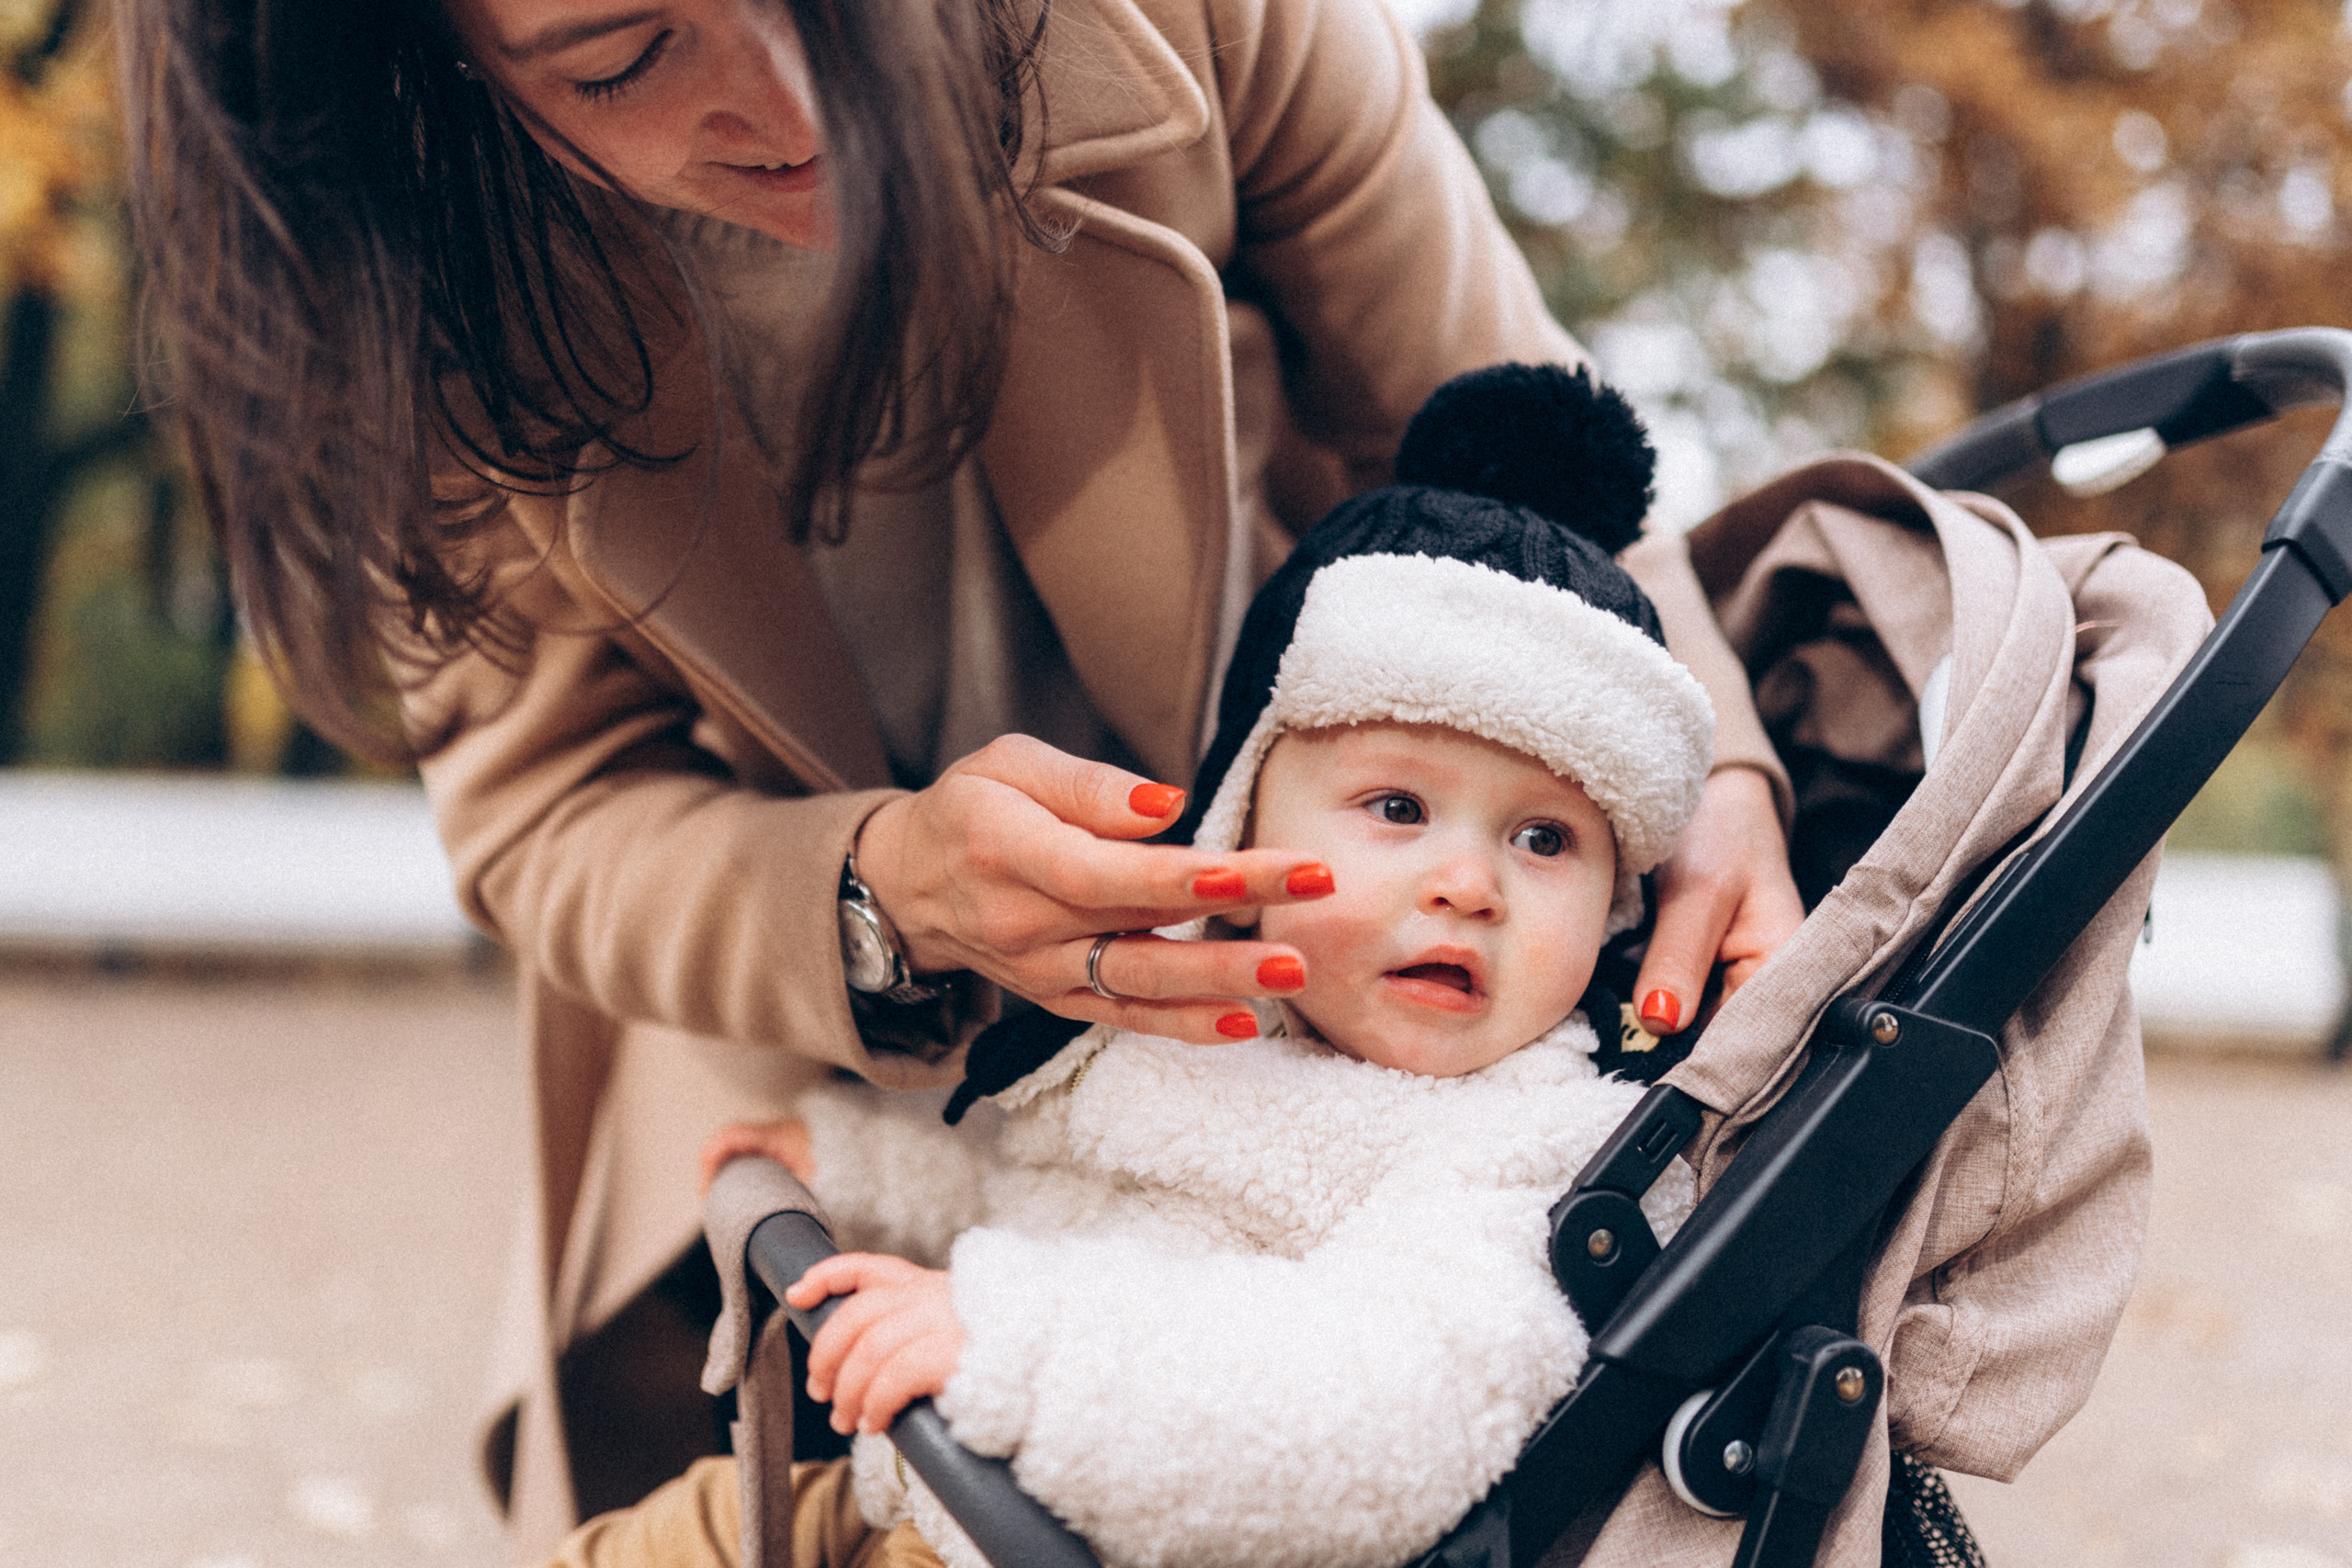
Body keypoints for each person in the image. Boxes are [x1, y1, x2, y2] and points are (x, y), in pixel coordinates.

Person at [119, 0, 1804, 1548]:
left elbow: (1517, 429)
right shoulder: (413, 275)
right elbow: (552, 810)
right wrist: (871, 901)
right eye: (621, 57)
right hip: (799, 1003)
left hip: (1296, 893)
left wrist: (1707, 764)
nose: (786, 107)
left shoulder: (1199, 30)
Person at [594, 366, 1713, 1568]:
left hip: (1095, 1523)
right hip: (947, 1501)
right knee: (668, 1540)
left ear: (1616, 909)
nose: (1468, 885)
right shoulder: (1191, 1003)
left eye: (1544, 840)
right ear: (1242, 819)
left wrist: (1012, 1354)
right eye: (1398, 806)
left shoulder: (1538, 1155)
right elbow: (1050, 1182)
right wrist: (864, 1172)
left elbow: (1381, 1411)